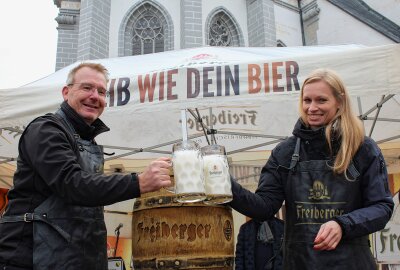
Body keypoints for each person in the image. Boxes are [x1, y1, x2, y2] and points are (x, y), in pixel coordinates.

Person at [0, 62, 172, 270]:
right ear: (66, 92)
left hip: (71, 257)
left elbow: (83, 201)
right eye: (87, 87)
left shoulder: (86, 140)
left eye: (101, 91)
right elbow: (72, 184)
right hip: (31, 256)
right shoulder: (46, 129)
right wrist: (139, 182)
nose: (95, 96)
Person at [229, 68, 394, 270]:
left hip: (351, 264)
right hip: (300, 263)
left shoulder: (362, 149)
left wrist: (342, 225)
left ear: (340, 102)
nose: (312, 108)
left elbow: (382, 207)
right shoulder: (285, 152)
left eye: (321, 100)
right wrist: (225, 186)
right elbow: (264, 207)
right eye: (307, 100)